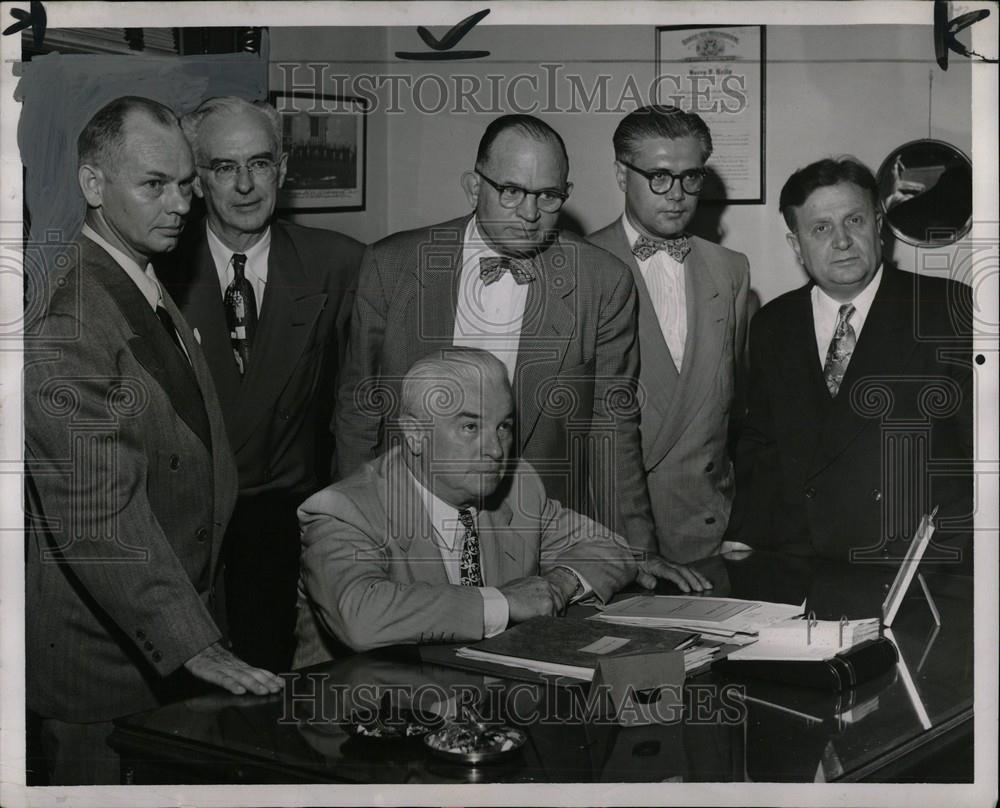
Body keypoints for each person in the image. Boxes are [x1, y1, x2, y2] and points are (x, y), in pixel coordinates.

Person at [23, 96, 282, 785]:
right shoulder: (70, 320)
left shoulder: (139, 276)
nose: (181, 204)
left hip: (165, 635)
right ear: (93, 185)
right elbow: (95, 510)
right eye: (154, 185)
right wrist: (191, 642)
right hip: (106, 663)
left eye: (186, 183)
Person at [334, 113, 658, 555]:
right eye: (510, 191)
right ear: (474, 187)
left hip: (539, 533)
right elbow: (359, 414)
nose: (529, 214)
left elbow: (614, 429)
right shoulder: (391, 266)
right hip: (407, 530)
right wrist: (350, 532)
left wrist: (636, 550)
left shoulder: (603, 281)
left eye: (548, 196)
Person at [295, 349, 711, 667]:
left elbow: (610, 548)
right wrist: (504, 603)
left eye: (504, 427)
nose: (495, 449)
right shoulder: (343, 509)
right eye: (470, 427)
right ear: (415, 434)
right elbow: (360, 617)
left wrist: (559, 584)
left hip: (482, 709)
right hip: (359, 729)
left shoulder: (516, 486)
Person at [158, 97, 364, 673]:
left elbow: (364, 407)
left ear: (284, 168)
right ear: (196, 179)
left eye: (260, 163)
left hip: (286, 537)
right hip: (184, 535)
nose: (245, 185)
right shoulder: (157, 271)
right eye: (224, 167)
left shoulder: (339, 264)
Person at [726, 157, 973, 563]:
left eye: (854, 221)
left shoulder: (946, 308)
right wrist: (743, 536)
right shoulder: (774, 322)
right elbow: (762, 444)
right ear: (796, 244)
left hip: (916, 568)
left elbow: (980, 452)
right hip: (804, 564)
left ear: (878, 224)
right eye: (821, 228)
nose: (841, 241)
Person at [589, 105, 751, 563]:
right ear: (622, 174)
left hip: (709, 532)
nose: (677, 194)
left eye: (690, 177)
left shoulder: (730, 269)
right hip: (611, 535)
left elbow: (729, 412)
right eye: (658, 176)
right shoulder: (578, 263)